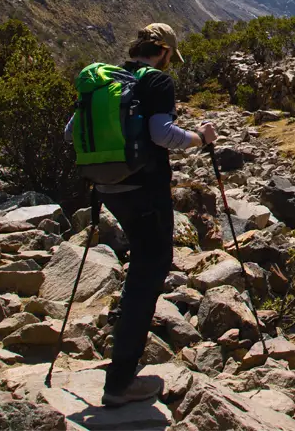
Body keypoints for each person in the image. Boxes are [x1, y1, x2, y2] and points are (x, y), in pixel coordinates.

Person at [70, 23, 217, 408]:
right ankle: (119, 382)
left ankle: (120, 349)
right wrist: (200, 139)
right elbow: (162, 134)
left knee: (140, 266)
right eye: (172, 57)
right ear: (165, 51)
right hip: (145, 189)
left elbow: (71, 132)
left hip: (106, 189)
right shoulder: (156, 82)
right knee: (149, 270)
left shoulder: (105, 80)